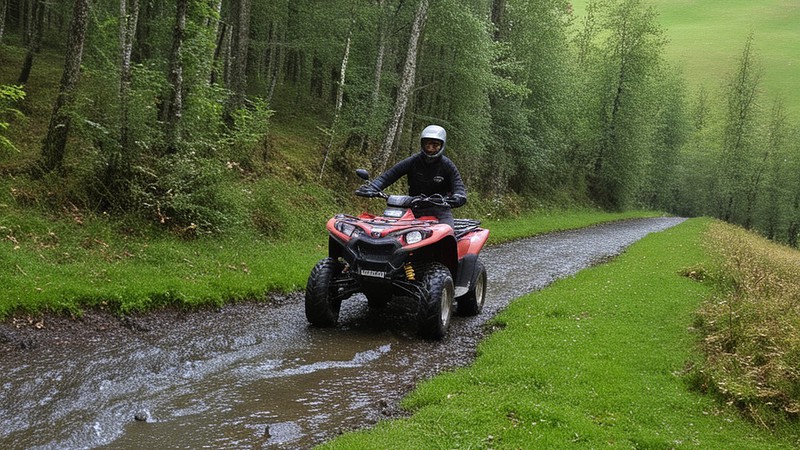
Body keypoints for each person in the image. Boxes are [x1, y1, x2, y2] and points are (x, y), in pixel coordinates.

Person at [357, 125, 466, 228]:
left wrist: (458, 196)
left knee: (447, 235)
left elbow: (458, 186)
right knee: (387, 231)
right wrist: (372, 187)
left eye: (435, 145)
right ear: (422, 144)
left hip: (440, 209)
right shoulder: (413, 161)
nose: (430, 148)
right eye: (427, 144)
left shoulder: (447, 166)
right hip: (412, 207)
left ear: (442, 146)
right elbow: (388, 176)